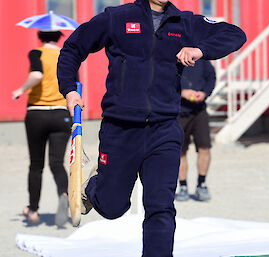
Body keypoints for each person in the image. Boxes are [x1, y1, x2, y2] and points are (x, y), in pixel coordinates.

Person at [57, 0, 246, 256]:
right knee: (113, 207)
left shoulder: (185, 22)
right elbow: (72, 48)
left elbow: (235, 34)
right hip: (120, 128)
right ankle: (93, 187)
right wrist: (69, 89)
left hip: (165, 129)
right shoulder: (117, 17)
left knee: (161, 207)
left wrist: (201, 49)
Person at [12, 31, 72, 227]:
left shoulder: (36, 53)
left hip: (37, 113)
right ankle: (64, 193)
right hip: (61, 114)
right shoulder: (66, 54)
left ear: (40, 35)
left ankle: (33, 211)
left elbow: (37, 74)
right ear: (58, 36)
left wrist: (21, 90)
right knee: (56, 162)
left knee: (36, 165)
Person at [175, 59, 216, 202]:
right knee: (180, 151)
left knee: (205, 147)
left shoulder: (202, 58)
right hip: (179, 111)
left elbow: (211, 77)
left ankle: (201, 184)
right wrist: (181, 91)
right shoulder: (174, 56)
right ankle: (183, 187)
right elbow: (165, 80)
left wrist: (205, 93)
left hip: (199, 110)